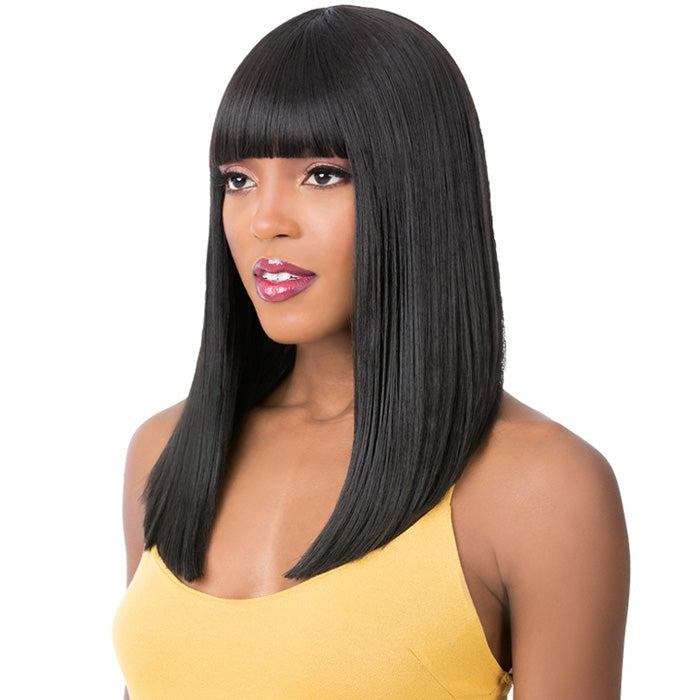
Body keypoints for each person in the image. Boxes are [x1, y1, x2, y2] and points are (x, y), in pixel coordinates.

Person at [112, 5, 630, 699]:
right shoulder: (166, 450)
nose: (265, 220)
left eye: (323, 175)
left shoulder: (540, 487)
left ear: (420, 189)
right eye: (238, 180)